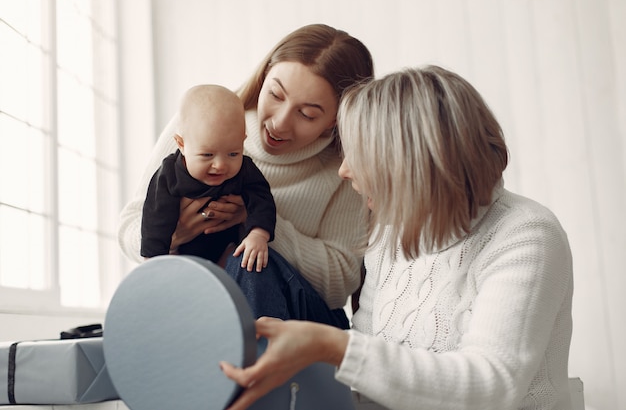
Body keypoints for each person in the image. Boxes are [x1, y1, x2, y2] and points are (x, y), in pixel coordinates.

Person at [220, 65, 574, 410]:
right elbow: (368, 374)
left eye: (359, 155)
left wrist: (333, 346)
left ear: (408, 162)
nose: (344, 171)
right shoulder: (389, 235)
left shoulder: (526, 235)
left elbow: (492, 386)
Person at [118, 24, 375, 327]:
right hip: (204, 299)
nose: (279, 123)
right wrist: (172, 234)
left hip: (300, 318)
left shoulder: (346, 167)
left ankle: (251, 367)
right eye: (276, 95)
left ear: (336, 120)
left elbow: (340, 283)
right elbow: (129, 229)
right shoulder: (200, 123)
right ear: (264, 76)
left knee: (251, 263)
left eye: (307, 114)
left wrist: (257, 224)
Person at [140, 84, 276, 272]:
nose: (220, 165)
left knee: (243, 262)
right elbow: (154, 218)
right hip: (180, 253)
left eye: (233, 154)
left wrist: (258, 234)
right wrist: (153, 259)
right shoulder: (170, 175)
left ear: (242, 141)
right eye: (207, 155)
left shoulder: (245, 170)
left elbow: (263, 201)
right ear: (181, 144)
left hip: (227, 250)